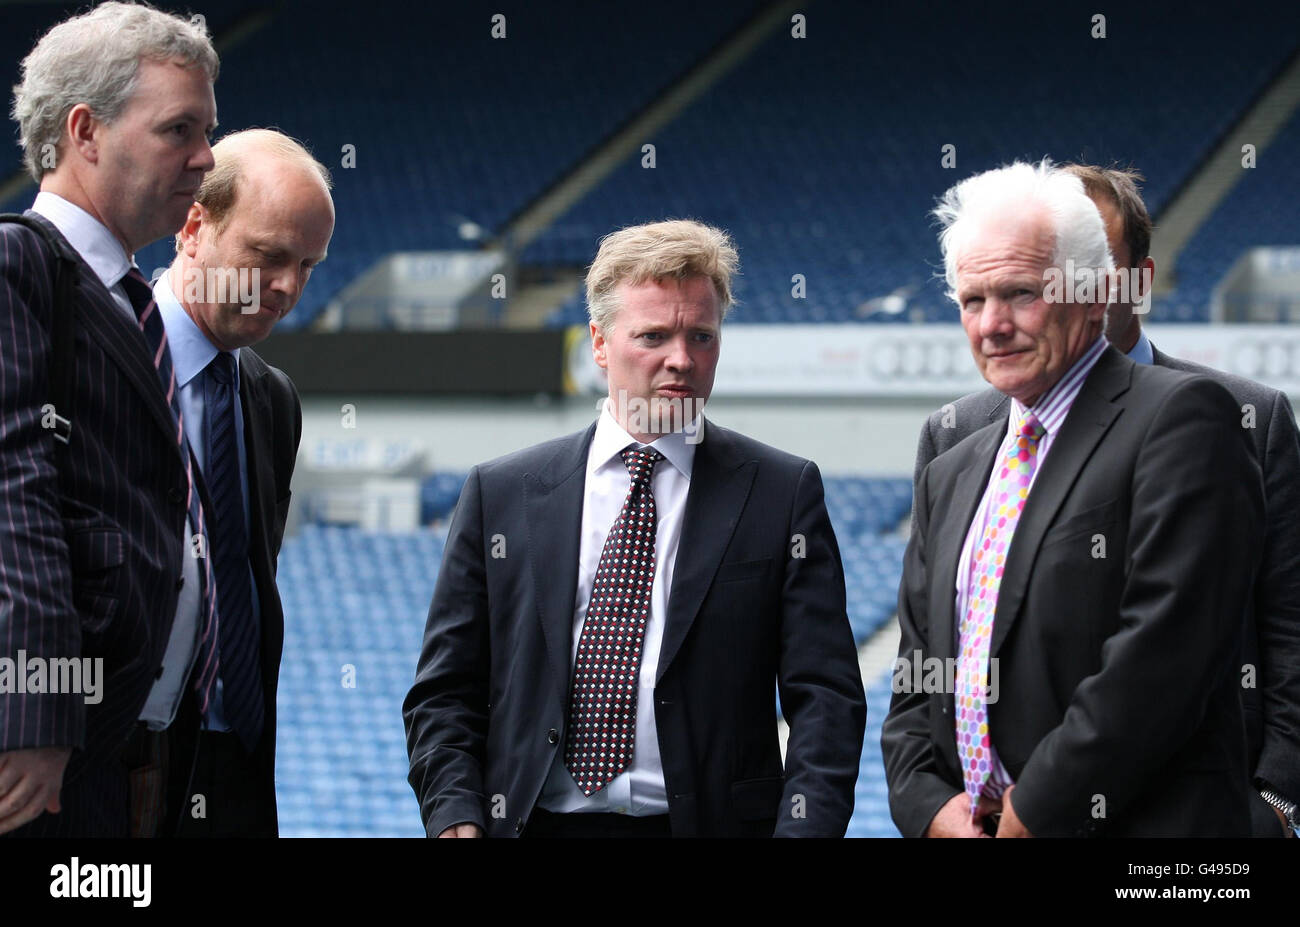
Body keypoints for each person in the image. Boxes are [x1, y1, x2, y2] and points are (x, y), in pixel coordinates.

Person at [404, 219, 865, 837]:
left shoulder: (782, 494)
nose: (682, 359)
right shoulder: (501, 493)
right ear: (599, 342)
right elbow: (446, 689)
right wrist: (454, 814)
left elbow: (826, 698)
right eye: (654, 335)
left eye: (701, 335)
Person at [910, 163, 1300, 837]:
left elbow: (1163, 654)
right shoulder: (954, 455)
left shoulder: (1196, 415)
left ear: (1099, 291)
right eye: (972, 301)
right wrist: (923, 802)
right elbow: (921, 671)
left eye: (1020, 294)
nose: (992, 325)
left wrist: (1274, 803)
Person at [0, 2, 218, 837]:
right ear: (85, 131)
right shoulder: (19, 262)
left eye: (208, 130)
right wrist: (34, 712)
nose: (205, 157)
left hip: (128, 751)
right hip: (51, 757)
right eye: (179, 130)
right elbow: (13, 485)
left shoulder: (133, 301)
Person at [153, 129, 334, 835]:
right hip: (110, 768)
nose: (288, 287)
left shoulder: (272, 397)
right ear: (194, 227)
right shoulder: (98, 361)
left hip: (238, 773)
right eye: (268, 256)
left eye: (309, 266)